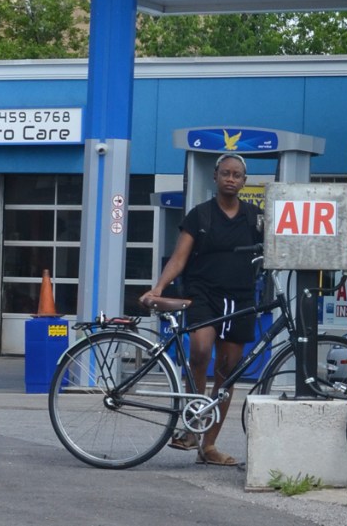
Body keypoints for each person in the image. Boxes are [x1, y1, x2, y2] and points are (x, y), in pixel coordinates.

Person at [139, 153, 262, 466]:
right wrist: (159, 287)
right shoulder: (200, 215)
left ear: (244, 181)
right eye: (225, 174)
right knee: (200, 348)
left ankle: (208, 446)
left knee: (227, 373)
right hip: (203, 293)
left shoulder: (254, 217)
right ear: (215, 177)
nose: (231, 179)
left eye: (237, 175)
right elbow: (179, 258)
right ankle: (193, 417)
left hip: (241, 296)